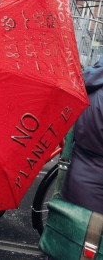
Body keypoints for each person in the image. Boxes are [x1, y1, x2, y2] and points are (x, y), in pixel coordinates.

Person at [61, 56, 103, 214]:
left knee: (72, 233)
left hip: (75, 178)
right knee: (89, 237)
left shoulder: (90, 87)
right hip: (97, 198)